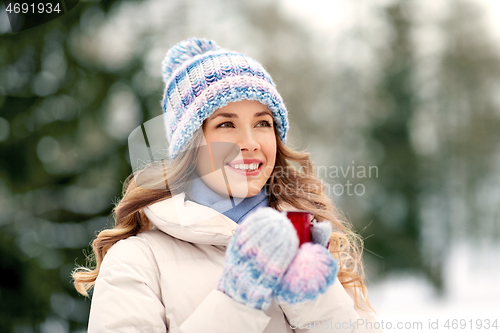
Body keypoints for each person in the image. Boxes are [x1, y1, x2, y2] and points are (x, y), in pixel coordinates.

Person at [72, 38, 384, 333]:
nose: (249, 143)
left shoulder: (310, 241)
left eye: (263, 123)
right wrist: (237, 301)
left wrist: (314, 296)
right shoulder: (136, 260)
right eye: (226, 124)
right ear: (191, 145)